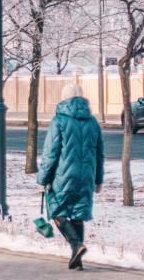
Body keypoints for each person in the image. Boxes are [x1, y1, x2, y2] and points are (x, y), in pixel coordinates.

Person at [37, 83, 104, 270]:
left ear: (64, 98)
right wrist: (98, 179)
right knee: (78, 214)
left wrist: (42, 180)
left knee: (57, 211)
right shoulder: (92, 122)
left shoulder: (59, 121)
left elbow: (50, 153)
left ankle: (76, 245)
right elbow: (99, 153)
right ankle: (78, 261)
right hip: (87, 177)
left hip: (63, 176)